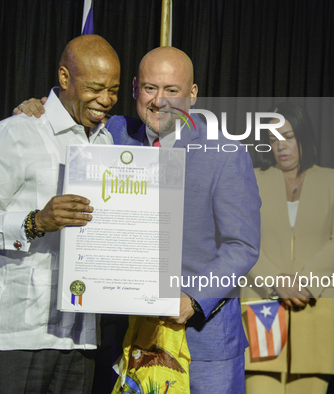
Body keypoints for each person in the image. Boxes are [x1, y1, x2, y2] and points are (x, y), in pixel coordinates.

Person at [16, 46, 261, 394]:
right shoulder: (111, 134)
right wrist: (36, 109)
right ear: (133, 88)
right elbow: (63, 112)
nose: (159, 100)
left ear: (192, 95)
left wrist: (192, 298)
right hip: (121, 339)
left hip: (200, 343)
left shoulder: (225, 154)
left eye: (172, 90)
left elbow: (243, 245)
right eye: (149, 88)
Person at [0, 34, 120, 393]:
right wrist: (34, 222)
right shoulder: (14, 133)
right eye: (96, 88)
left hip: (80, 336)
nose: (106, 100)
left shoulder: (107, 142)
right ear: (64, 77)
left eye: (114, 90)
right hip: (16, 333)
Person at [238, 102, 334, 394]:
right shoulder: (251, 179)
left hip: (315, 308)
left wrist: (305, 282)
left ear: (304, 137)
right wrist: (276, 282)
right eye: (273, 139)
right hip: (263, 308)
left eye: (287, 136)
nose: (281, 146)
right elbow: (240, 240)